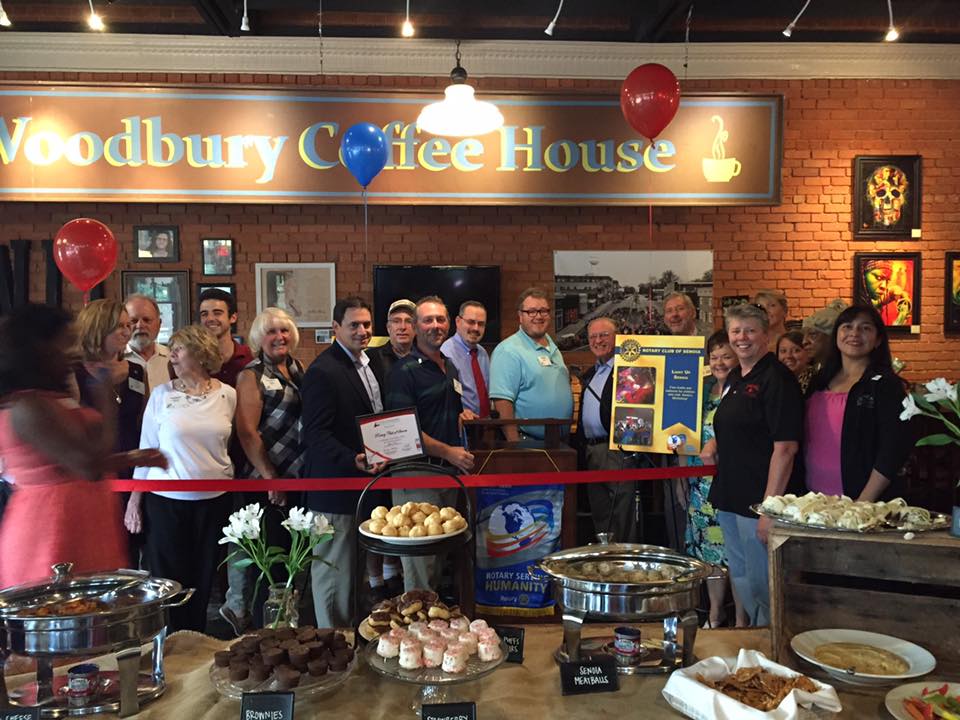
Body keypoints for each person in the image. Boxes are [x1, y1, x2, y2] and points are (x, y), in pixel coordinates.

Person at [0, 304, 165, 588]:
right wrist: (106, 400)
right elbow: (87, 465)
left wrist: (134, 457)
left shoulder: (49, 397)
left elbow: (76, 457)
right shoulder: (28, 406)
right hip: (53, 519)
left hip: (82, 512)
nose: (71, 351)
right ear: (38, 348)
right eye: (64, 343)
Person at [128, 325, 236, 632]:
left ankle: (196, 642)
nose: (172, 355)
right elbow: (147, 448)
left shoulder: (228, 395)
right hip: (166, 503)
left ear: (201, 354)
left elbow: (230, 445)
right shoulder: (161, 395)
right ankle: (172, 643)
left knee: (204, 580)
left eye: (179, 349)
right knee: (169, 583)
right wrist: (135, 500)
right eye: (171, 349)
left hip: (214, 502)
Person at [703, 303, 803, 627]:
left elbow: (785, 448)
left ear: (766, 335)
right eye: (736, 330)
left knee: (763, 583)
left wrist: (769, 509)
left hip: (758, 499)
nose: (742, 337)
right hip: (731, 494)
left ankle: (770, 644)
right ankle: (755, 642)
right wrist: (714, 443)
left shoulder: (777, 379)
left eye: (750, 330)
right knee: (742, 577)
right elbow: (735, 423)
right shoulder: (735, 376)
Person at [302, 297, 385, 628]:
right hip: (334, 490)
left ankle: (347, 638)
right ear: (336, 328)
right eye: (354, 325)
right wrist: (351, 459)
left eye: (366, 324)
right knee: (333, 572)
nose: (362, 331)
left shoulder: (369, 363)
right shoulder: (323, 371)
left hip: (361, 485)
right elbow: (315, 434)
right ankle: (331, 640)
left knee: (352, 572)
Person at [223, 307, 307, 633]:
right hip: (266, 481)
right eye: (271, 332)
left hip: (297, 477)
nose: (279, 337)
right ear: (259, 337)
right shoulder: (251, 374)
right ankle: (265, 631)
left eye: (284, 330)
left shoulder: (297, 368)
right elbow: (247, 432)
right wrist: (271, 478)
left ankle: (287, 627)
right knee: (269, 564)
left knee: (291, 558)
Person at [385, 296, 475, 591]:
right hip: (416, 476)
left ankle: (431, 619)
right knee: (420, 567)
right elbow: (401, 432)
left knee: (438, 561)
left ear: (449, 324)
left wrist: (460, 415)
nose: (435, 326)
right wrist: (449, 452)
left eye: (440, 319)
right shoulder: (403, 372)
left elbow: (441, 411)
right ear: (415, 326)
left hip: (447, 474)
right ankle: (416, 619)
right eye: (428, 320)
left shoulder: (449, 367)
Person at [804, 304, 915, 501]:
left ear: (878, 339)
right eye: (847, 326)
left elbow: (893, 449)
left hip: (860, 502)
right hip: (813, 498)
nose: (854, 333)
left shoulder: (885, 385)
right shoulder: (819, 381)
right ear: (836, 335)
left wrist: (863, 502)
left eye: (865, 328)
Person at [74, 299, 149, 565]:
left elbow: (144, 423)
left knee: (129, 549)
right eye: (119, 326)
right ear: (98, 328)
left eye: (128, 325)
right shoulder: (75, 371)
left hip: (129, 467)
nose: (127, 331)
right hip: (92, 468)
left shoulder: (137, 371)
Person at [684, 330, 746, 628]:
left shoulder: (743, 392)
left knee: (735, 554)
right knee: (709, 554)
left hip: (733, 483)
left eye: (726, 356)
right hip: (701, 487)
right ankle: (715, 611)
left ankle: (742, 618)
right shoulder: (704, 392)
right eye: (714, 357)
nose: (720, 363)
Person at [363, 298, 415, 602]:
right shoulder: (370, 358)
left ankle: (394, 573)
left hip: (412, 448)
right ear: (387, 327)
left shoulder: (423, 358)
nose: (402, 327)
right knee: (378, 513)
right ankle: (374, 580)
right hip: (379, 445)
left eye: (408, 321)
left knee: (403, 514)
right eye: (396, 321)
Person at [573, 316, 637, 544]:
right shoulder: (591, 373)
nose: (598, 340)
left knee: (622, 513)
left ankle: (624, 559)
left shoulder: (628, 370)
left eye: (604, 335)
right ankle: (606, 557)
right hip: (592, 451)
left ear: (617, 338)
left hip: (616, 451)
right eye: (593, 336)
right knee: (600, 513)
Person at [489, 287, 573, 443]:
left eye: (543, 311)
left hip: (559, 442)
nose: (538, 316)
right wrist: (514, 444)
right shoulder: (508, 350)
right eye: (532, 312)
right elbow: (502, 402)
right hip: (527, 443)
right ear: (520, 316)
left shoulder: (553, 348)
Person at [660, 291, 701, 552]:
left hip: (704, 447)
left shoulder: (710, 346)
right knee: (675, 510)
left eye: (679, 309)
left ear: (693, 312)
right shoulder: (660, 350)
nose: (674, 315)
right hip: (670, 444)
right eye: (669, 311)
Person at [440, 301, 491, 417]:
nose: (476, 328)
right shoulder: (446, 353)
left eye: (481, 324)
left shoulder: (482, 353)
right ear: (458, 321)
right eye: (471, 322)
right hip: (460, 423)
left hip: (485, 423)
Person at [199, 288, 253, 388]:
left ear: (233, 318)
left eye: (217, 313)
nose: (210, 318)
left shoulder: (250, 357)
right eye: (204, 314)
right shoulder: (192, 360)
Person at [124, 294, 172, 392]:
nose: (140, 325)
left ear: (159, 324)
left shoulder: (172, 357)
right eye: (133, 321)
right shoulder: (116, 360)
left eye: (146, 320)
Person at [859, 259, 912, 327]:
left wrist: (891, 293)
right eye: (878, 278)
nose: (884, 286)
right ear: (863, 275)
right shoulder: (860, 304)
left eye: (887, 280)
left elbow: (874, 303)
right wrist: (900, 320)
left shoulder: (866, 299)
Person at [801, 300, 847, 375]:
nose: (804, 341)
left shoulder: (844, 374)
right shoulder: (808, 373)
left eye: (812, 334)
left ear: (832, 337)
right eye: (804, 335)